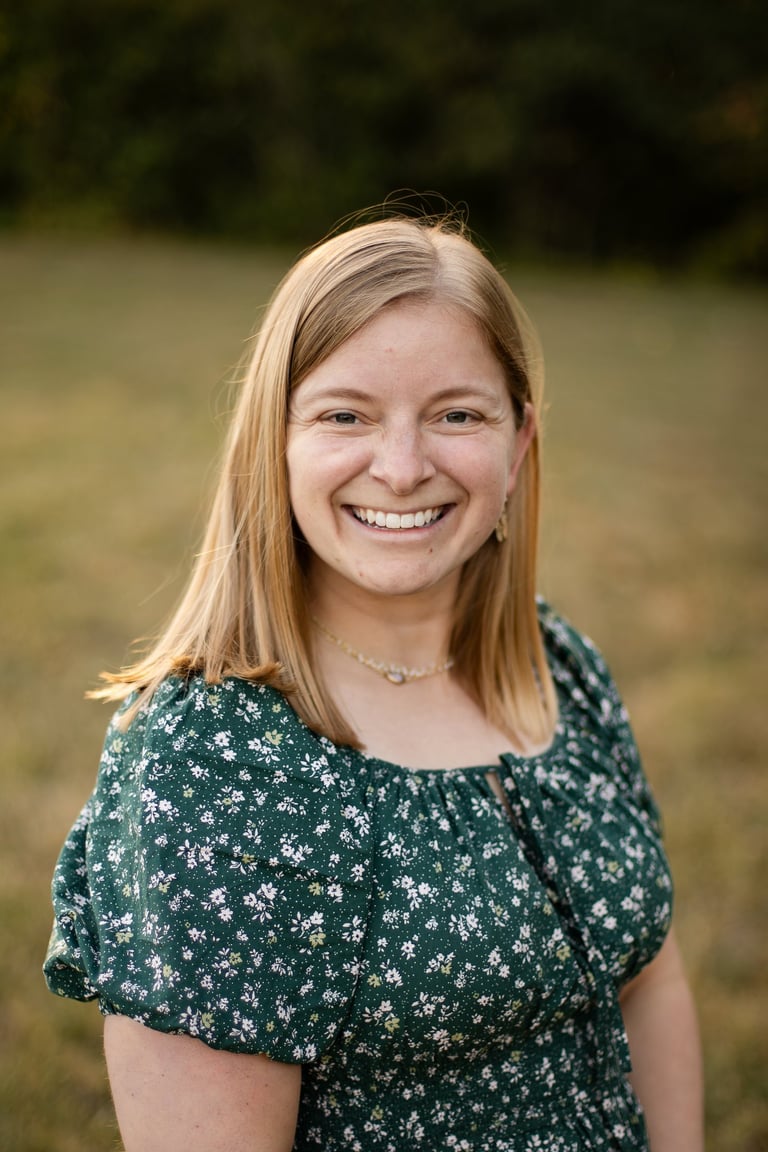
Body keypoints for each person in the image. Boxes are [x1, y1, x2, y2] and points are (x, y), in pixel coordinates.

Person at [44, 213, 703, 1151]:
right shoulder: (210, 763)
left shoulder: (561, 669)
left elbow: (651, 978)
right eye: (345, 414)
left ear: (518, 445)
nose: (401, 469)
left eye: (457, 414)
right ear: (273, 443)